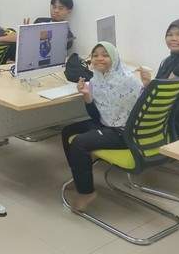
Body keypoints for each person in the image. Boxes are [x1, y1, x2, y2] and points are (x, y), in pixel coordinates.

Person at [61, 41, 148, 212]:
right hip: (107, 125)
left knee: (79, 143)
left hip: (124, 133)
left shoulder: (129, 81)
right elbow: (97, 116)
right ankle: (79, 178)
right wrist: (87, 95)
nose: (99, 59)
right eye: (95, 55)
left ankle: (86, 192)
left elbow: (141, 111)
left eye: (105, 55)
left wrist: (146, 87)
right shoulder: (96, 80)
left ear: (114, 58)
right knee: (67, 131)